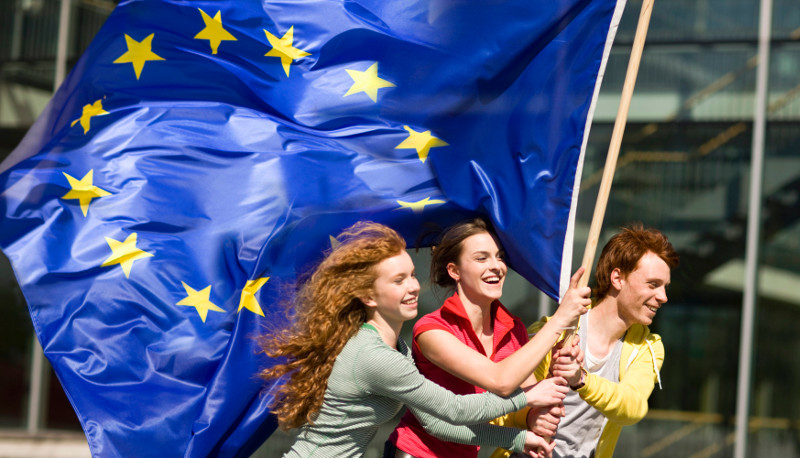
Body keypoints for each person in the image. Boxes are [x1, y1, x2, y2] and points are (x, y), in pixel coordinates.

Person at [259, 221, 568, 458]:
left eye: (411, 275)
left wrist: (517, 438)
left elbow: (437, 424)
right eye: (398, 280)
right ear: (368, 296)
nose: (413, 287)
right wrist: (528, 397)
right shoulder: (375, 357)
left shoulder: (397, 350)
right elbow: (455, 409)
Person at [387, 218, 593, 458]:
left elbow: (524, 398)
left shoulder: (513, 329)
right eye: (481, 258)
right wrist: (560, 319)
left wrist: (536, 412)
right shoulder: (432, 330)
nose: (496, 266)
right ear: (454, 271)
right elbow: (501, 381)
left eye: (500, 257)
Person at [520, 223, 679, 458]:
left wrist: (581, 380)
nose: (663, 297)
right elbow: (505, 403)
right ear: (618, 278)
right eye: (653, 284)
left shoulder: (648, 347)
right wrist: (528, 417)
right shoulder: (554, 331)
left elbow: (633, 406)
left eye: (665, 287)